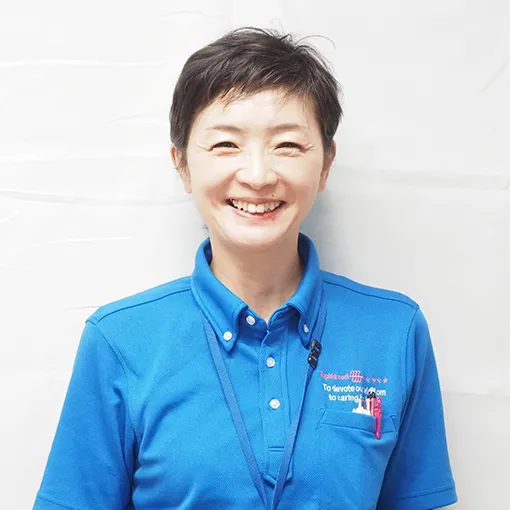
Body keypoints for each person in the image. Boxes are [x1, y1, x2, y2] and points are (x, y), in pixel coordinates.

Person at [34, 27, 457, 510]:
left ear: (325, 164)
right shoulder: (119, 339)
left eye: (288, 145)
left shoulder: (394, 330)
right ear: (182, 164)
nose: (257, 175)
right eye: (225, 145)